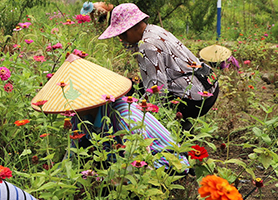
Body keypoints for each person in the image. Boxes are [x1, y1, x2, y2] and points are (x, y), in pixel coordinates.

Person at [30, 54, 187, 170]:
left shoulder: (124, 117)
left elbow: (139, 160)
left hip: (165, 164)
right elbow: (72, 153)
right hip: (121, 160)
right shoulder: (79, 115)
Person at [97, 3, 219, 130]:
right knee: (137, 88)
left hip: (196, 97)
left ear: (133, 27)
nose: (121, 38)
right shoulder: (153, 29)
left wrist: (136, 114)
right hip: (209, 83)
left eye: (122, 34)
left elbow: (157, 91)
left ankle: (177, 131)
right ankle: (183, 126)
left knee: (141, 95)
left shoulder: (147, 46)